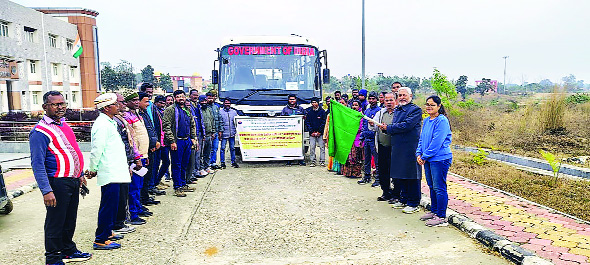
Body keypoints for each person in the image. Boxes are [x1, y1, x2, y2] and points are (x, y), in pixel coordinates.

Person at [30, 91, 92, 264]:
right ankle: (52, 258)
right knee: (55, 221)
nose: (61, 107)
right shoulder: (39, 132)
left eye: (62, 104)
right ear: (45, 107)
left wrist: (79, 174)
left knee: (69, 218)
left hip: (72, 180)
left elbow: (72, 150)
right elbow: (37, 163)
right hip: (56, 182)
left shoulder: (63, 125)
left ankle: (68, 250)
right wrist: (46, 190)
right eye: (56, 104)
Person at [87, 93, 131, 250]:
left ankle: (108, 231)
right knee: (108, 205)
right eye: (115, 104)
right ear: (106, 108)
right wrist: (92, 169)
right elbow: (96, 150)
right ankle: (100, 239)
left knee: (114, 205)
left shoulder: (109, 122)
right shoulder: (102, 125)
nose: (118, 106)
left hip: (116, 171)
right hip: (110, 172)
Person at [378, 87, 423, 214]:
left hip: (410, 147)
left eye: (404, 95)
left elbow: (406, 125)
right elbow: (396, 126)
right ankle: (403, 199)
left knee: (412, 175)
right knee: (400, 174)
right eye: (400, 95)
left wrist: (389, 128)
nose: (402, 97)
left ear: (411, 96)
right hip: (397, 146)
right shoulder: (398, 109)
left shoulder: (415, 110)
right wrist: (386, 128)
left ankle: (413, 202)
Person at [416, 95, 453, 227]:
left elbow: (437, 142)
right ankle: (434, 211)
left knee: (439, 187)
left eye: (432, 105)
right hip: (428, 158)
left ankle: (441, 216)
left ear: (438, 106)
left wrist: (424, 156)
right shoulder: (426, 120)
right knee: (431, 186)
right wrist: (418, 153)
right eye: (427, 104)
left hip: (440, 158)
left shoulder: (441, 121)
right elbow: (422, 139)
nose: (429, 107)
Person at [121, 89, 153, 224]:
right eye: (132, 100)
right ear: (127, 102)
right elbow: (132, 139)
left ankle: (138, 208)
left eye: (136, 100)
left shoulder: (138, 115)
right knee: (134, 187)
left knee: (139, 185)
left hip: (143, 155)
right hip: (136, 157)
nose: (135, 102)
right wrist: (137, 156)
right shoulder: (127, 117)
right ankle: (132, 214)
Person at [111, 93, 139, 235]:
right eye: (119, 102)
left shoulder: (120, 119)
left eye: (121, 102)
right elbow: (119, 144)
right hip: (120, 163)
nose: (121, 105)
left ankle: (120, 221)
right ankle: (117, 223)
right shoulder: (113, 121)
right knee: (119, 195)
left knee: (123, 193)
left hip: (126, 160)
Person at [162, 90, 198, 197]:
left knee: (185, 163)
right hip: (177, 141)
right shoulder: (170, 110)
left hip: (187, 140)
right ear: (174, 98)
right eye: (178, 97)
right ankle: (177, 187)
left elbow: (192, 124)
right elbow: (166, 126)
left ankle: (183, 183)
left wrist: (193, 138)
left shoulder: (187, 109)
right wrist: (172, 141)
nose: (181, 98)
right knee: (176, 164)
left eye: (182, 96)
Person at [369, 93, 397, 202]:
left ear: (395, 100)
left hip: (395, 148)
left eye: (391, 100)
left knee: (395, 171)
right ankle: (386, 192)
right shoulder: (380, 113)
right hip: (382, 146)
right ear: (383, 101)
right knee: (383, 171)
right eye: (387, 100)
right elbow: (374, 127)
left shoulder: (399, 113)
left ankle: (396, 194)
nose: (389, 102)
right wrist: (372, 124)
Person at [138, 92, 164, 203]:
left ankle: (145, 197)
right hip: (144, 150)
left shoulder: (145, 113)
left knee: (148, 174)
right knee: (142, 176)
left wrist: (155, 142)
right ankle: (142, 200)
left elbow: (151, 129)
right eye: (146, 101)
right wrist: (151, 145)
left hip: (151, 148)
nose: (148, 104)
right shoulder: (136, 115)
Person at [359, 92, 380, 186]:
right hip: (366, 138)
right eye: (370, 99)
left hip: (374, 139)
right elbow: (364, 125)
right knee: (366, 159)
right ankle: (366, 176)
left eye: (373, 99)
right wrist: (361, 138)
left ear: (377, 99)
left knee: (377, 160)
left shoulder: (379, 111)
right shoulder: (367, 111)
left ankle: (378, 179)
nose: (372, 101)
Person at [151, 95, 171, 188]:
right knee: (156, 164)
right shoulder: (154, 112)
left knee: (166, 162)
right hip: (158, 142)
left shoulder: (163, 112)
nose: (162, 104)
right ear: (155, 103)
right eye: (160, 102)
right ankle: (154, 183)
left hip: (164, 142)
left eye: (163, 103)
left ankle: (157, 180)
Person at [341, 100, 364, 178]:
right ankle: (348, 173)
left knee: (357, 157)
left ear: (359, 106)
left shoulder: (361, 116)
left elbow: (360, 128)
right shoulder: (349, 115)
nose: (354, 107)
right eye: (353, 105)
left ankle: (356, 173)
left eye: (356, 105)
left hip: (357, 139)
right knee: (349, 157)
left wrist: (351, 130)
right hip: (349, 139)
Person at [281, 94, 306, 166]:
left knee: (300, 145)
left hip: (299, 132)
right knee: (289, 145)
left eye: (293, 99)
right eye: (290, 99)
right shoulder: (285, 109)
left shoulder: (300, 109)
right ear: (288, 100)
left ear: (296, 100)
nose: (292, 101)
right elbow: (282, 119)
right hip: (289, 132)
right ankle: (289, 160)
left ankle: (300, 160)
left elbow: (305, 116)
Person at [199, 93, 221, 173]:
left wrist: (213, 132)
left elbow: (212, 121)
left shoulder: (209, 109)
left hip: (209, 134)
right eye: (202, 101)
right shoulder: (198, 109)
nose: (204, 102)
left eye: (205, 100)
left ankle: (207, 167)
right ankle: (200, 168)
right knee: (201, 153)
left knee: (208, 152)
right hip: (202, 135)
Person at [188, 90, 207, 177]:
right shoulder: (188, 105)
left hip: (199, 132)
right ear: (190, 95)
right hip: (193, 133)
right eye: (194, 95)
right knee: (193, 153)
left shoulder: (198, 106)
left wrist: (203, 133)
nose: (195, 97)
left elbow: (201, 120)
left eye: (197, 95)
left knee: (199, 153)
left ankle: (197, 170)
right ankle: (192, 172)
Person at [305, 97, 327, 167]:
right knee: (312, 147)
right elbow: (307, 122)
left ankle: (322, 161)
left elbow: (324, 122)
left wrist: (319, 132)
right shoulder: (309, 112)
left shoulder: (322, 112)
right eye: (313, 102)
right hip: (312, 133)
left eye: (315, 102)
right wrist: (311, 132)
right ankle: (313, 161)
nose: (314, 104)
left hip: (320, 133)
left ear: (318, 103)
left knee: (322, 147)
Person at [219, 98, 240, 168]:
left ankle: (233, 162)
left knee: (232, 148)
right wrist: (220, 132)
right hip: (224, 133)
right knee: (222, 148)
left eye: (228, 103)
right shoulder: (220, 112)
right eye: (226, 103)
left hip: (232, 133)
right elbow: (219, 123)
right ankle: (222, 162)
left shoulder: (234, 112)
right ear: (223, 104)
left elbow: (238, 121)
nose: (227, 104)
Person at [208, 90, 224, 169]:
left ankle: (213, 162)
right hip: (209, 133)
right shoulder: (204, 107)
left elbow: (219, 119)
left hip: (217, 131)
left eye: (213, 97)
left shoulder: (216, 107)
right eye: (209, 98)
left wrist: (220, 130)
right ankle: (207, 164)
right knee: (208, 149)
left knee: (215, 148)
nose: (211, 99)